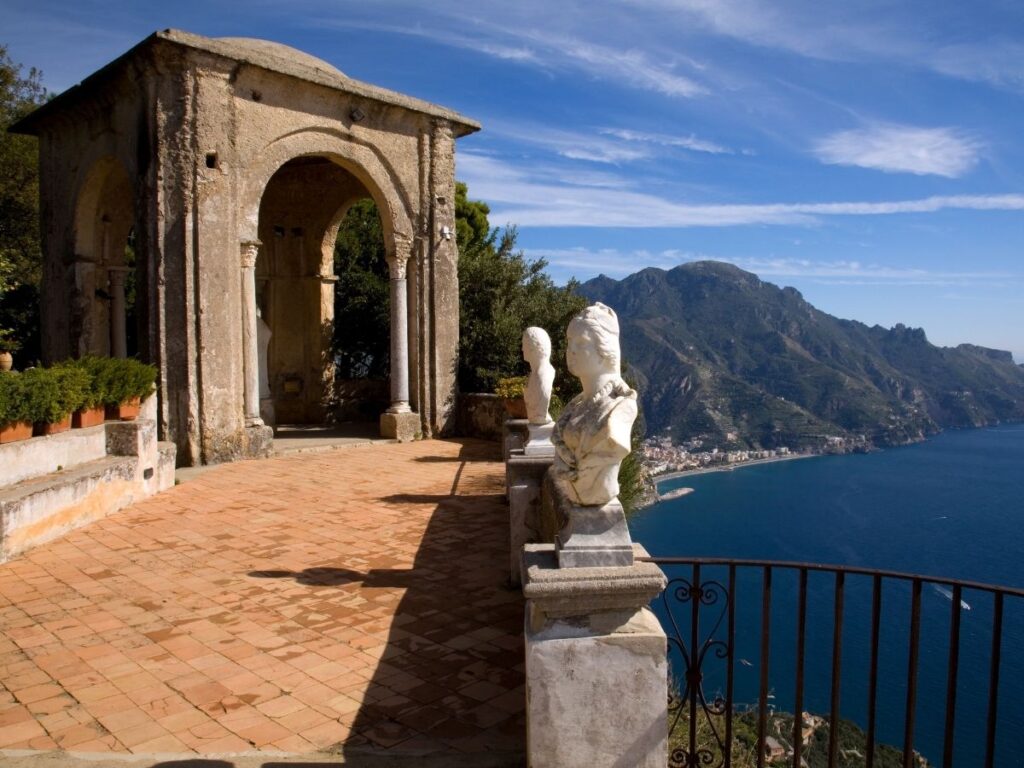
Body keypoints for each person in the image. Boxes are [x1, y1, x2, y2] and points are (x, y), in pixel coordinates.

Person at [551, 303, 637, 506]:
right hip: (577, 499)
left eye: (581, 342)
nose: (570, 350)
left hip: (597, 494)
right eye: (569, 342)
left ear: (604, 349)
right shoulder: (577, 406)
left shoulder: (619, 407)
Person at [522, 327, 554, 425]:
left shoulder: (543, 375)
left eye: (524, 345)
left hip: (540, 419)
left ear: (533, 346)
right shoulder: (534, 375)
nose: (522, 349)